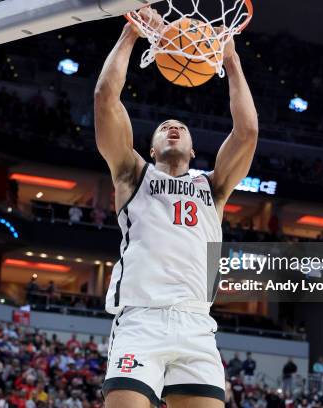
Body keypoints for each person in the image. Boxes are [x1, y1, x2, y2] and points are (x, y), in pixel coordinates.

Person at [95, 7, 258, 408]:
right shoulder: (134, 175)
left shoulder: (214, 186)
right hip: (141, 319)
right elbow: (105, 99)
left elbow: (247, 131)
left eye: (181, 129)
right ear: (151, 148)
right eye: (165, 127)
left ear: (192, 148)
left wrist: (232, 61)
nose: (174, 128)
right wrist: (130, 35)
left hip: (196, 325)